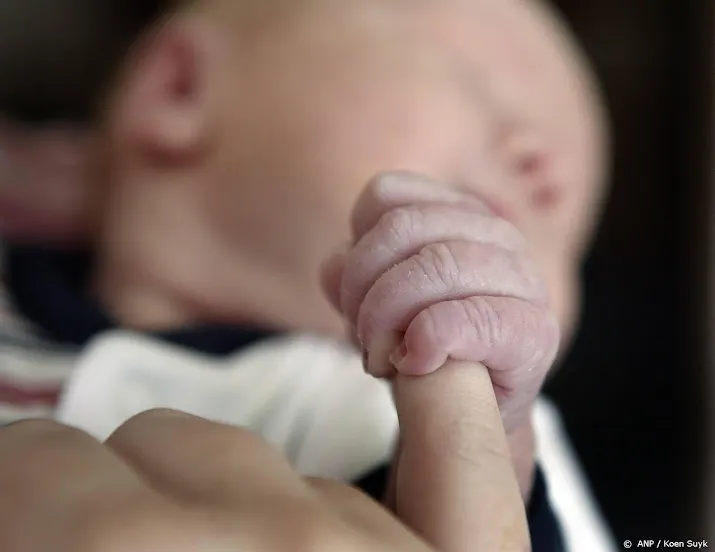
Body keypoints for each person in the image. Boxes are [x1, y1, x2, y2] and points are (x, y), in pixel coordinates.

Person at [0, 0, 612, 549]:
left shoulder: (398, 416)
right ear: (180, 87)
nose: (547, 169)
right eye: (484, 82)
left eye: (572, 229)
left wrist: (496, 448)